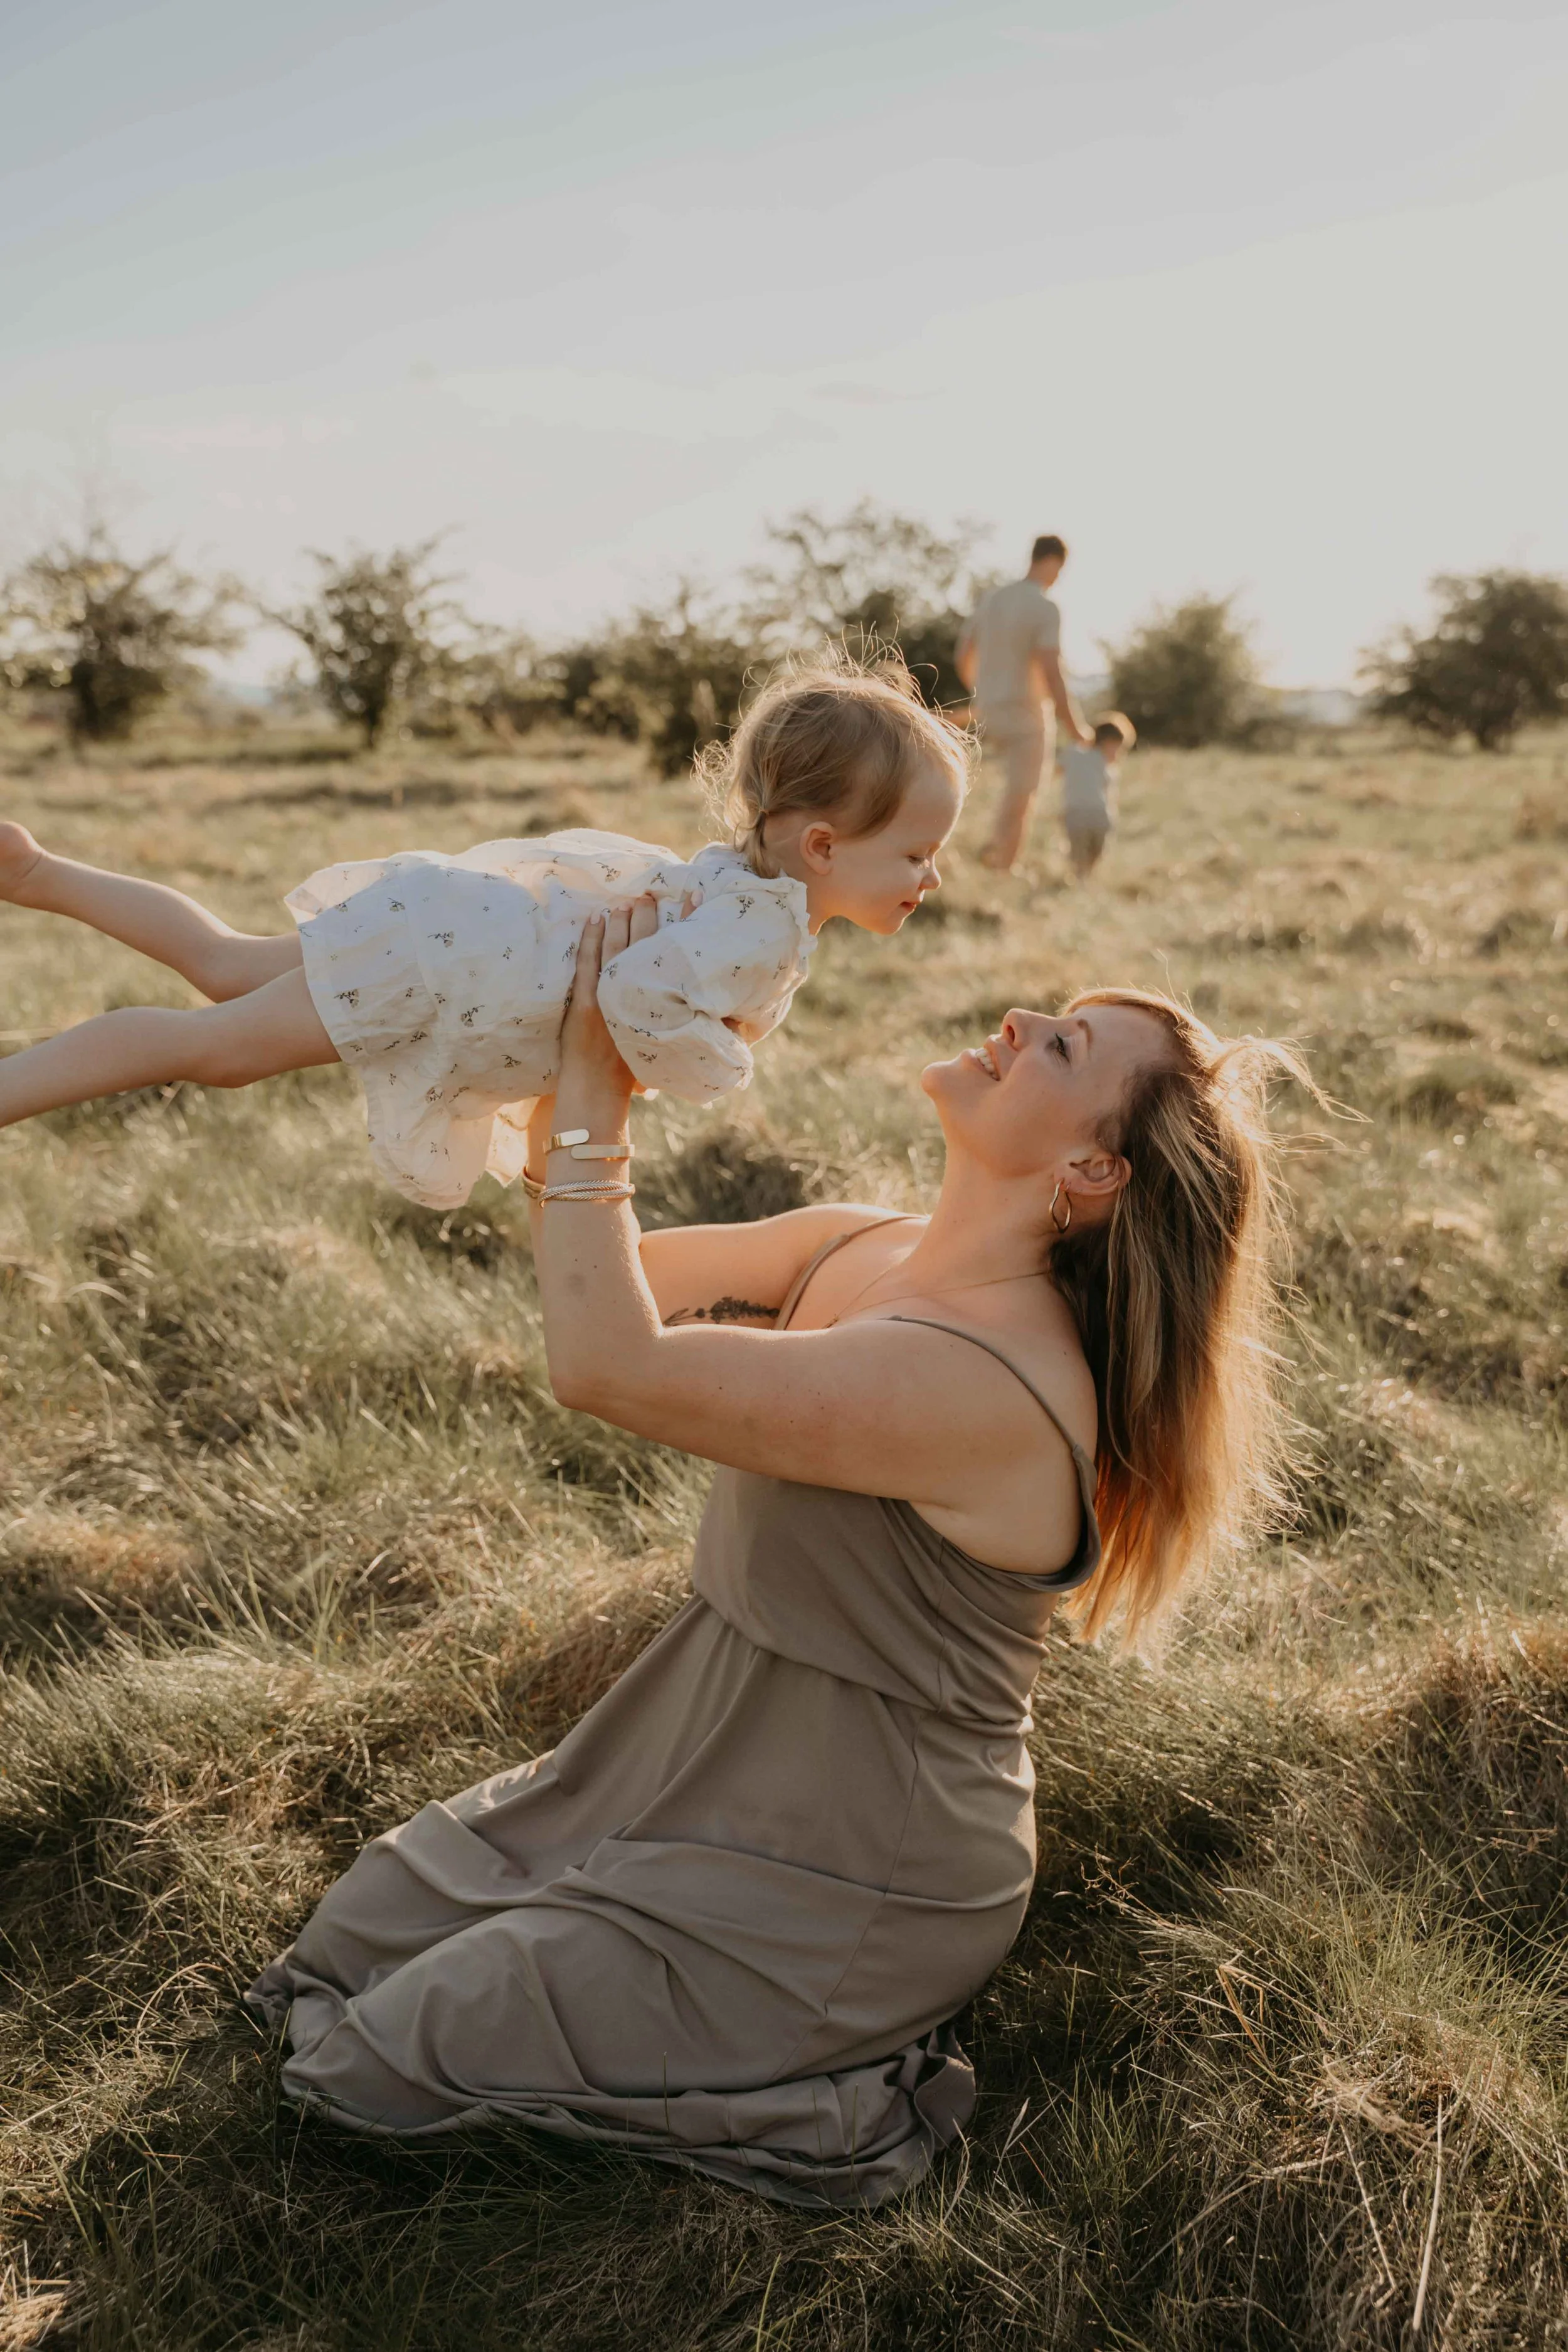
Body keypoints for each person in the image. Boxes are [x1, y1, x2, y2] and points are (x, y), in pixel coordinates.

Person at [246, 899, 1306, 2210]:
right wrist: (566, 1031)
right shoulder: (862, 1243)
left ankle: (821, 2077)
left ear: (1089, 1174)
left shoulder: (980, 1381)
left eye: (1066, 1049)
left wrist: (598, 1089)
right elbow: (598, 1273)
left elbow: (604, 1367)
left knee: (377, 2063)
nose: (1023, 1021)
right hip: (690, 1756)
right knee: (346, 1947)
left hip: (859, 1863)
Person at [0, 665, 965, 1209]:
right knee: (215, 1050)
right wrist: (724, 1063)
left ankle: (37, 873)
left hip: (456, 931)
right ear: (827, 845)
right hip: (454, 973)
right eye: (918, 853)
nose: (933, 877)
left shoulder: (741, 881)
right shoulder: (764, 928)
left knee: (227, 964)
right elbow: (633, 1003)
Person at [956, 534, 1094, 872]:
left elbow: (963, 655)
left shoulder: (993, 599)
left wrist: (985, 689)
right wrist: (1077, 728)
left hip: (989, 709)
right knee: (1021, 798)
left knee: (983, 789)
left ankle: (978, 856)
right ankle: (1002, 870)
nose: (1059, 577)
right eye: (1060, 569)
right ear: (1052, 561)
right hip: (1027, 716)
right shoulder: (1045, 607)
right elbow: (1052, 670)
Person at [1060, 711, 1137, 881]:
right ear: (1107, 742)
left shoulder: (1104, 765)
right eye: (1117, 748)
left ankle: (1084, 875)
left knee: (1096, 850)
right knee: (1081, 851)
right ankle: (1080, 879)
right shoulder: (1080, 755)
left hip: (1098, 815)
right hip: (1078, 812)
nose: (1119, 754)